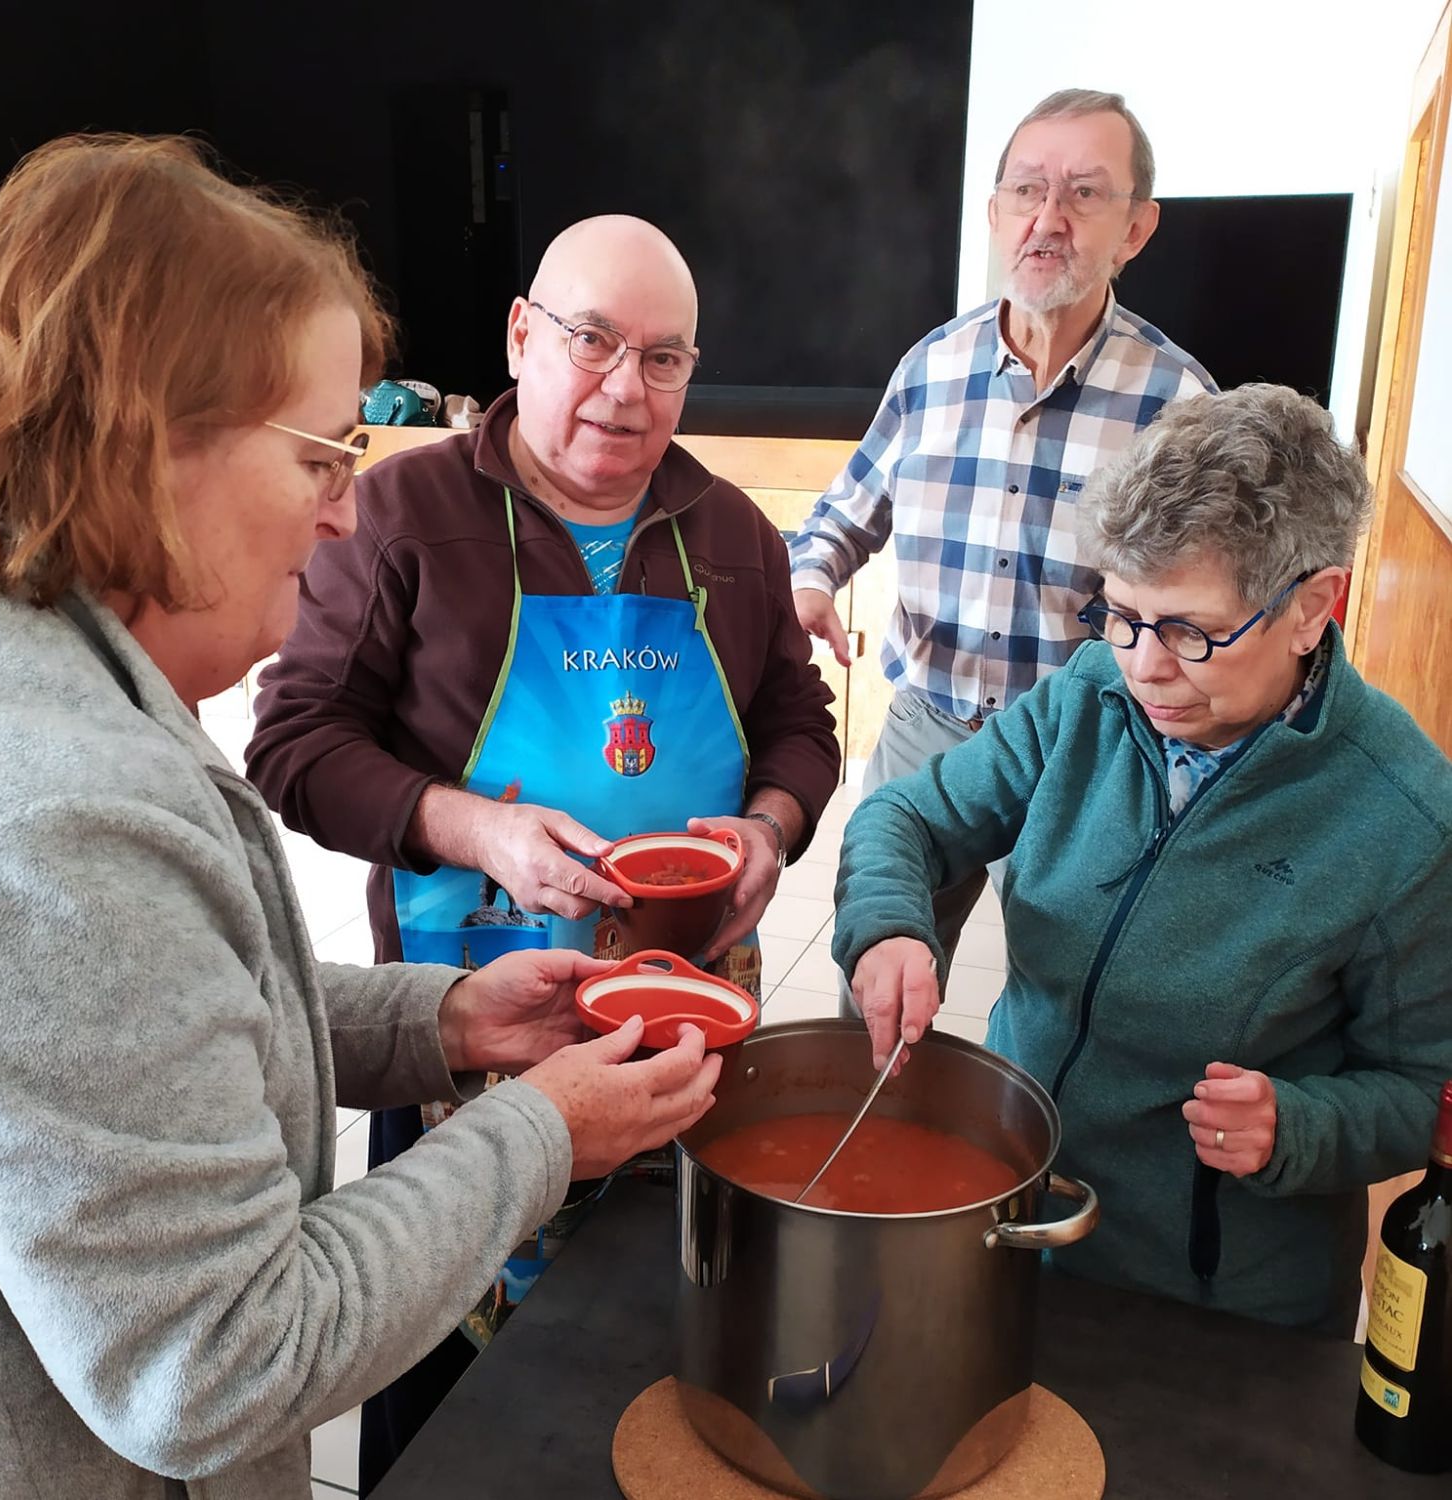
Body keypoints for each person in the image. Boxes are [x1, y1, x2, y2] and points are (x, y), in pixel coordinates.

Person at [0, 136, 720, 1499]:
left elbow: (177, 1024)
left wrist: (445, 1021)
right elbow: (217, 1361)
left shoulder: (56, 691)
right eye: (320, 455)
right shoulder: (60, 820)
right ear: (141, 444)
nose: (342, 512)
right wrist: (543, 1131)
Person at [245, 213, 840, 1488]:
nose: (626, 388)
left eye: (665, 359)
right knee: (452, 1389)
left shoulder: (735, 534)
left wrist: (773, 826)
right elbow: (294, 744)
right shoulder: (400, 515)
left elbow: (802, 723)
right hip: (468, 1020)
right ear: (521, 336)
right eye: (593, 341)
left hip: (689, 1018)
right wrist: (475, 827)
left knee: (658, 1355)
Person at [830, 383, 1452, 1333]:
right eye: (1119, 613)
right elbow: (908, 817)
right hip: (1012, 1212)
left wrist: (1299, 1127)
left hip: (1214, 1314)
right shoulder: (1091, 696)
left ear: (1313, 606)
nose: (1144, 666)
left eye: (1191, 633)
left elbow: (1427, 1088)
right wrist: (887, 926)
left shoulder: (1405, 820)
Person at [789, 88, 1216, 988]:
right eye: (1026, 189)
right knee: (878, 973)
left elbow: (1206, 608)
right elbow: (846, 510)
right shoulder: (932, 368)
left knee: (1072, 1002)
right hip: (926, 729)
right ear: (994, 213)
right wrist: (812, 581)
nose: (1047, 219)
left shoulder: (1179, 405)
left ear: (1135, 229)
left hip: (1085, 751)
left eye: (1084, 193)